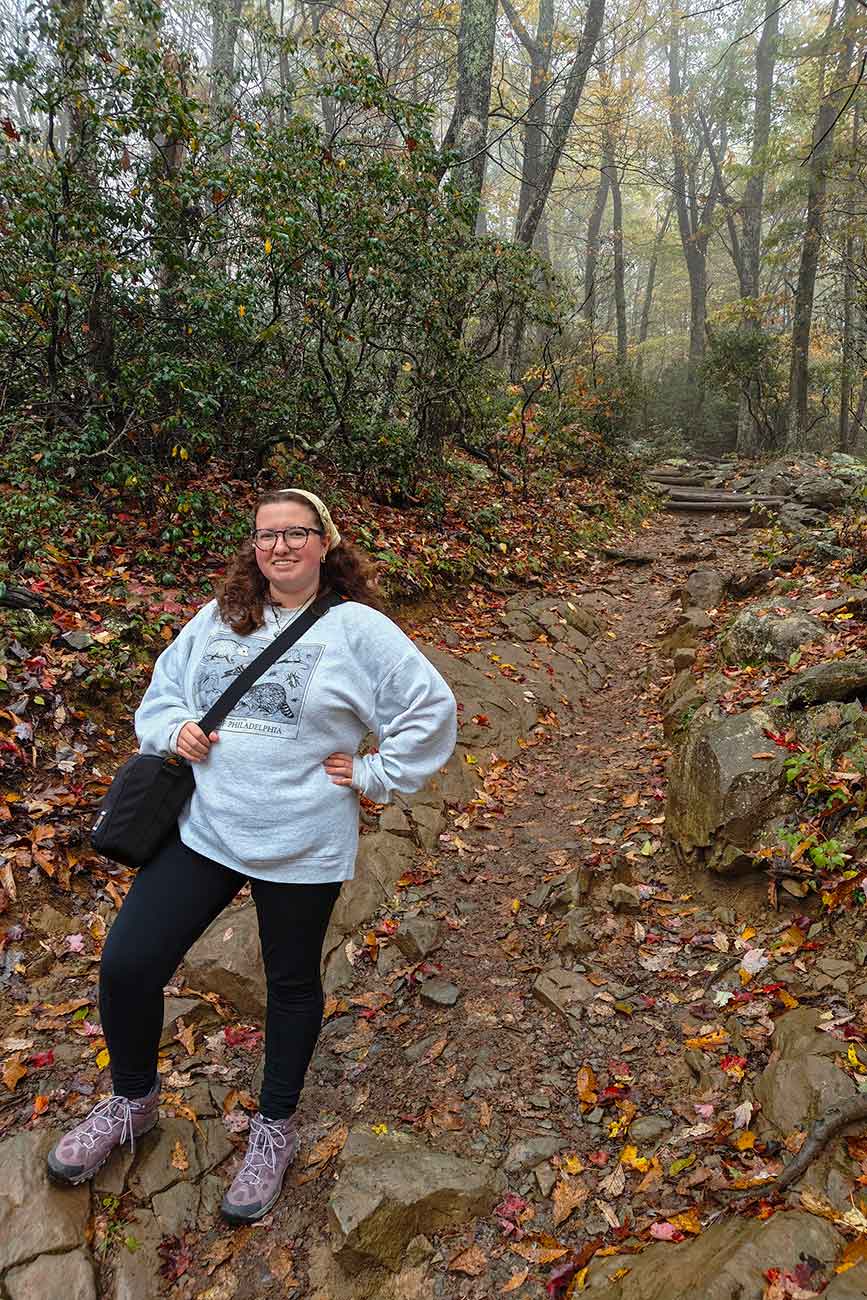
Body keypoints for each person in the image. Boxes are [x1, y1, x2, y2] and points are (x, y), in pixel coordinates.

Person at [47, 488, 457, 1223]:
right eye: (267, 535)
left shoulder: (359, 630)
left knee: (290, 983)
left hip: (300, 838)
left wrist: (372, 774)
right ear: (254, 546)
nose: (280, 547)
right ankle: (133, 1102)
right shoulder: (220, 617)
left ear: (325, 543)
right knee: (128, 963)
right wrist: (174, 729)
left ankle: (273, 1127)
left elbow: (429, 709)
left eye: (296, 533)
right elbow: (163, 692)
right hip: (206, 826)